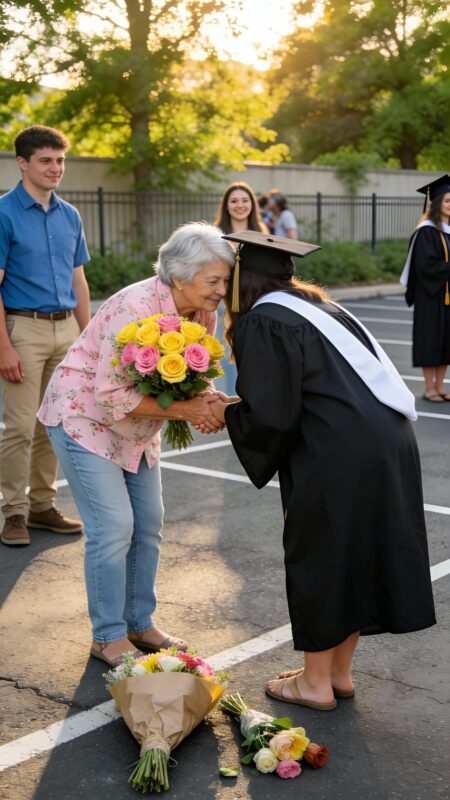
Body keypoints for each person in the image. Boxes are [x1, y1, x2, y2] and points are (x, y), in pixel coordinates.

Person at [210, 230, 436, 711]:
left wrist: (225, 412)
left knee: (322, 557)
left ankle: (313, 684)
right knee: (357, 555)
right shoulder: (322, 308)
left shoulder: (264, 320)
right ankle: (336, 672)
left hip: (336, 453)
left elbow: (271, 416)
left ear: (240, 282)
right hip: (388, 442)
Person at [37, 222, 234, 668]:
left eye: (225, 280)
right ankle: (107, 636)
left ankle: (139, 622)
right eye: (214, 281)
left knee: (148, 523)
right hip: (84, 418)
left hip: (136, 429)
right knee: (113, 527)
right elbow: (110, 396)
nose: (222, 290)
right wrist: (189, 412)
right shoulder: (135, 306)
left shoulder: (202, 311)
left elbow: (193, 379)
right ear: (179, 276)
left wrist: (209, 402)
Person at [0, 125, 91, 547]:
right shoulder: (3, 214)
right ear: (23, 163)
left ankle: (42, 506)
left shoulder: (70, 214)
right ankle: (13, 513)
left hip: (66, 329)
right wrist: (3, 346)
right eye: (46, 160)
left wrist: (86, 337)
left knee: (52, 425)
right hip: (24, 329)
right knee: (19, 426)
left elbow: (79, 280)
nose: (55, 168)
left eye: (60, 161)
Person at [400, 174, 450, 402]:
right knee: (431, 340)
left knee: (447, 342)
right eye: (447, 200)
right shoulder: (426, 231)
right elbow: (426, 266)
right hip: (431, 296)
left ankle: (440, 386)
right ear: (437, 203)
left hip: (448, 295)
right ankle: (429, 388)